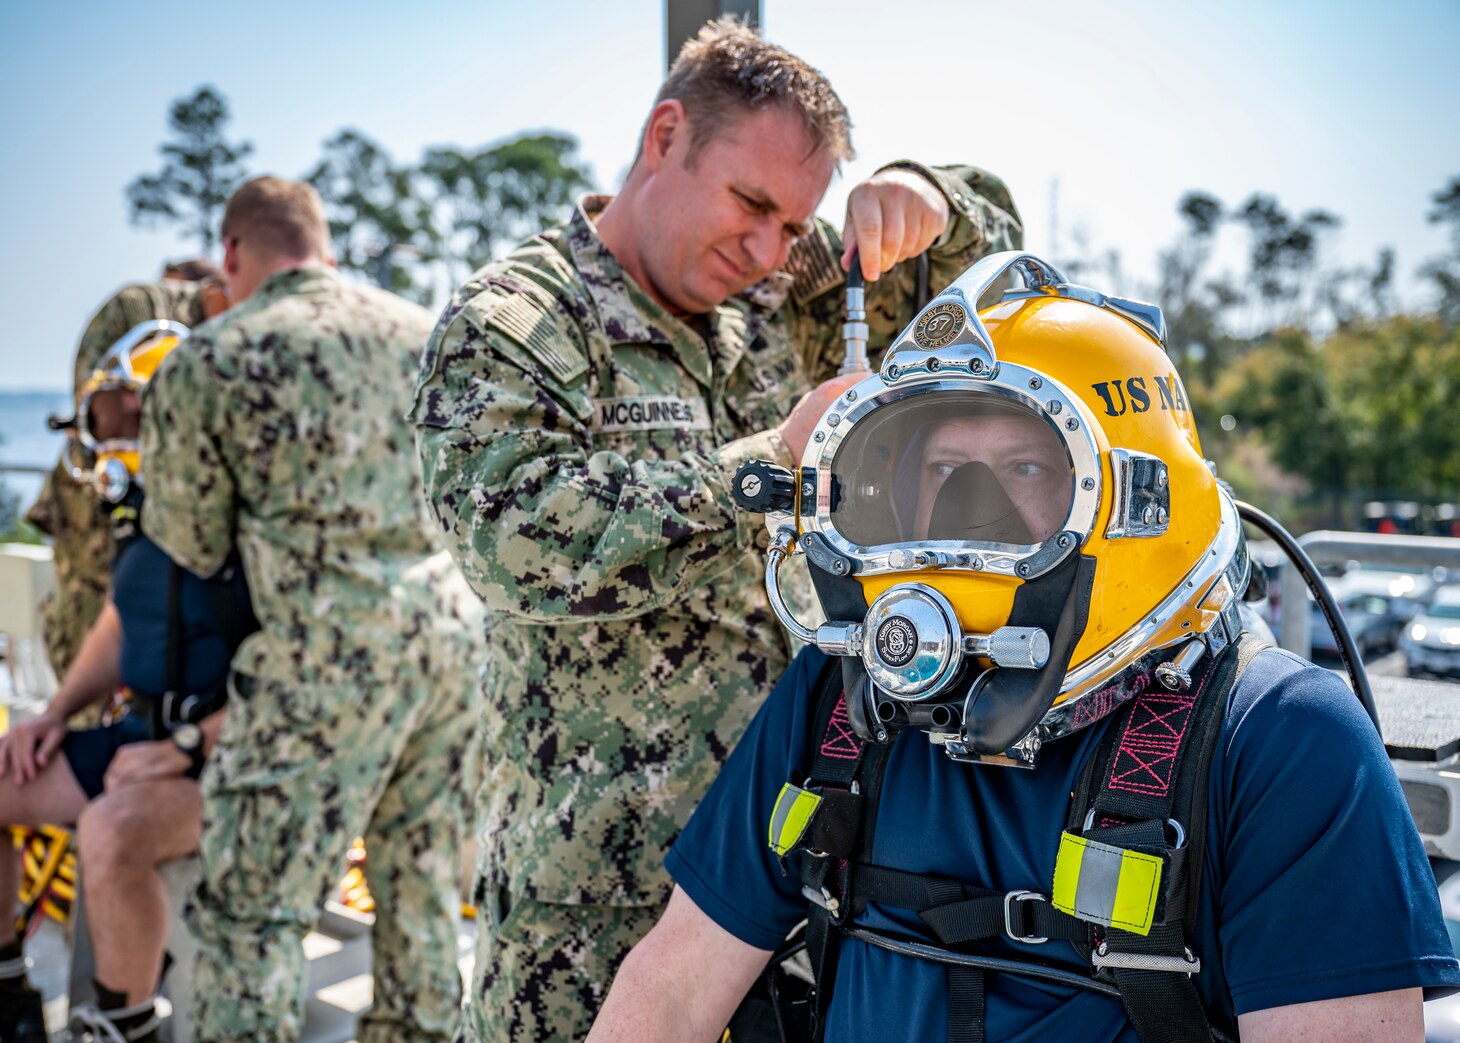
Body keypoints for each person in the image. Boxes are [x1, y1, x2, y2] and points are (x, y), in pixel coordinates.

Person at [586, 251, 1460, 1042]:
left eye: (1027, 468)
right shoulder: (836, 702)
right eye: (942, 473)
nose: (972, 508)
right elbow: (671, 990)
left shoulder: (1282, 741)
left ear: (1136, 500)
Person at [411, 17, 1022, 1042]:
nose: (765, 247)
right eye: (749, 204)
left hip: (794, 868)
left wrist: (926, 190)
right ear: (664, 138)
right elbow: (509, 535)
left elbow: (985, 234)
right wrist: (771, 467)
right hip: (597, 894)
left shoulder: (774, 287)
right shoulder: (514, 322)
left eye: (793, 223)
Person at [139, 176, 484, 1043]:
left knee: (252, 919)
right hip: (451, 648)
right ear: (324, 246)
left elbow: (188, 540)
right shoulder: (424, 331)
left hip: (320, 665)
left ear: (230, 255)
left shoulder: (214, 355)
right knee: (424, 899)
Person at [0, 323, 254, 1043]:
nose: (112, 442)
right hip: (139, 737)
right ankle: (10, 992)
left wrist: (182, 745)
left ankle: (121, 1026)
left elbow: (297, 671)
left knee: (111, 830)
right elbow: (121, 624)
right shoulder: (143, 517)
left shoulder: (259, 524)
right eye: (107, 419)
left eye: (130, 419)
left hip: (228, 763)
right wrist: (53, 714)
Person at [26, 262, 228, 701]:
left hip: (169, 548)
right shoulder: (139, 310)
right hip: (100, 538)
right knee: (92, 683)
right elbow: (98, 422)